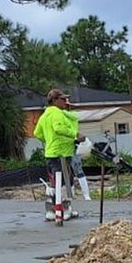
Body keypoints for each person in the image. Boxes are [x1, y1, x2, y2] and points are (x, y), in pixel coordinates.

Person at [31, 88, 81, 219]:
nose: (65, 101)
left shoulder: (44, 115)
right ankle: (65, 209)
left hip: (50, 153)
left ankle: (51, 211)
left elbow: (37, 133)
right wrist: (75, 135)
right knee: (66, 182)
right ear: (54, 100)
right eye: (62, 99)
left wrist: (48, 140)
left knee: (54, 181)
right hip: (62, 153)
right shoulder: (57, 113)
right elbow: (59, 128)